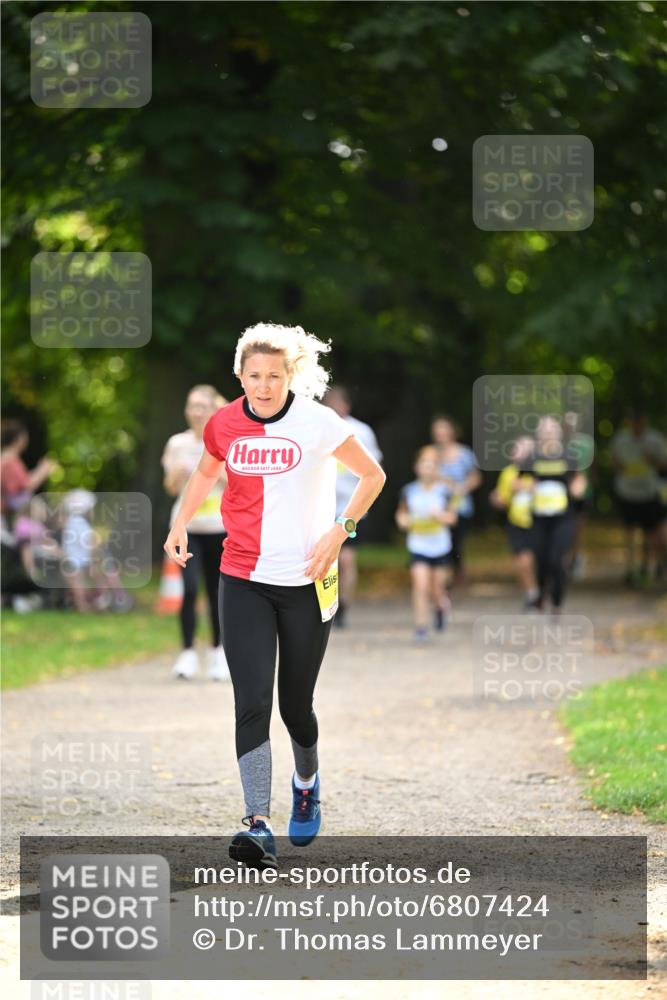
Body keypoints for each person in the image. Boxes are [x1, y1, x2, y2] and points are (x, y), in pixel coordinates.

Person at [163, 323, 385, 868]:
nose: (264, 386)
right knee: (252, 701)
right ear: (239, 376)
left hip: (308, 581)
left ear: (292, 376)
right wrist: (180, 523)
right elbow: (203, 472)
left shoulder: (317, 422)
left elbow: (372, 476)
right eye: (254, 376)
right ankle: (257, 822)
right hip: (243, 577)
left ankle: (306, 781)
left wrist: (341, 531)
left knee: (295, 706)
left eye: (274, 376)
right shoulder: (223, 423)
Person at [161, 386, 230, 680]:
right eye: (192, 406)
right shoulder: (176, 443)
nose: (196, 411)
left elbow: (235, 483)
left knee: (217, 592)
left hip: (218, 527)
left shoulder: (227, 441)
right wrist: (178, 473)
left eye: (202, 406)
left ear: (214, 409)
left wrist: (208, 469)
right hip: (186, 528)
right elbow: (171, 488)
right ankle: (187, 653)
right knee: (188, 590)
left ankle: (218, 652)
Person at [323, 385, 383, 627]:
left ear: (347, 405)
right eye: (330, 401)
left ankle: (344, 605)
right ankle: (328, 605)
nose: (334, 406)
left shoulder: (361, 431)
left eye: (338, 401)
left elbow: (375, 469)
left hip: (352, 506)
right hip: (323, 507)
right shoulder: (319, 428)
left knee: (346, 559)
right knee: (326, 559)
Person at [516, 417, 587, 613]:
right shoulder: (531, 458)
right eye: (544, 430)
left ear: (558, 433)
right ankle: (540, 595)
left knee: (557, 558)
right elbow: (518, 481)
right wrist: (525, 486)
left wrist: (578, 488)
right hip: (538, 517)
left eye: (551, 429)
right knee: (541, 559)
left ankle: (556, 600)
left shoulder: (568, 456)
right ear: (538, 434)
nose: (548, 433)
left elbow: (579, 479)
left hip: (563, 517)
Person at [395, 445, 457, 642]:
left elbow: (452, 518)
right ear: (417, 467)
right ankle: (421, 627)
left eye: (431, 465)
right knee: (420, 584)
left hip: (439, 546)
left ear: (436, 469)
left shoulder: (443, 492)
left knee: (437, 587)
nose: (427, 469)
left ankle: (441, 606)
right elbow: (401, 514)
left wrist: (440, 516)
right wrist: (403, 521)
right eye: (424, 464)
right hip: (418, 545)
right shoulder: (409, 491)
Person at [610, 410, 666, 585]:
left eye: (639, 422)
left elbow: (664, 464)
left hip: (649, 492)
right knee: (630, 532)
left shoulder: (655, 439)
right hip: (627, 492)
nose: (637, 426)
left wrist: (653, 460)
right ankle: (631, 569)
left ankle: (652, 566)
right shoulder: (621, 439)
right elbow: (613, 460)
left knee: (652, 533)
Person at [430, 415, 481, 586]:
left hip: (459, 505)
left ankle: (457, 573)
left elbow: (475, 477)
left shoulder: (464, 453)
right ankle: (443, 575)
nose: (440, 433)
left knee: (455, 541)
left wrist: (462, 488)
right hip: (437, 504)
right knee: (440, 539)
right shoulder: (430, 453)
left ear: (452, 431)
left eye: (443, 429)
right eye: (437, 430)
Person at [489, 436, 539, 609]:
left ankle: (539, 591)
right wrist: (497, 499)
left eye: (526, 449)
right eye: (518, 448)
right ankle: (530, 593)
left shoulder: (539, 470)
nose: (520, 452)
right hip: (516, 522)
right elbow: (503, 499)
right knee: (520, 560)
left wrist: (526, 487)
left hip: (537, 522)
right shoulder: (508, 473)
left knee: (533, 559)